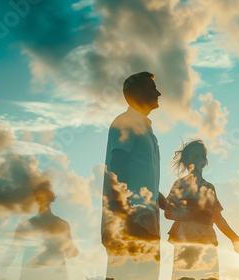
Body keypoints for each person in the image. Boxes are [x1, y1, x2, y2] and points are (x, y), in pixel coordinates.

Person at [101, 71, 166, 280]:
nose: (159, 92)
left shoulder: (146, 130)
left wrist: (163, 200)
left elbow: (142, 175)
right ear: (137, 92)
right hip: (129, 222)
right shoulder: (126, 121)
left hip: (147, 223)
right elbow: (117, 167)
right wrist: (125, 216)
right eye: (152, 87)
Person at [165, 139, 239, 280]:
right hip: (186, 244)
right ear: (186, 162)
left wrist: (234, 238)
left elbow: (218, 218)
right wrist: (193, 214)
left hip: (208, 243)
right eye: (195, 156)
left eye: (202, 156)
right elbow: (168, 212)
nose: (200, 159)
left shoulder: (210, 187)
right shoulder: (180, 184)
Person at [2, 182, 79, 280]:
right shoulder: (62, 225)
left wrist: (2, 273)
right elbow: (70, 252)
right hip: (51, 275)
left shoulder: (26, 225)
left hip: (36, 275)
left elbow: (11, 252)